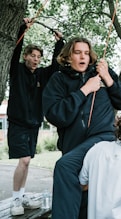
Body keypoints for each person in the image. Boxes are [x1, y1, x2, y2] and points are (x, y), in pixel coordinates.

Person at [42, 37, 121, 219]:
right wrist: (85, 90)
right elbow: (56, 115)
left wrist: (107, 79)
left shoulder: (102, 72)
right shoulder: (58, 80)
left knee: (64, 167)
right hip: (73, 145)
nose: (83, 56)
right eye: (77, 52)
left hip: (102, 138)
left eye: (87, 53)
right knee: (82, 196)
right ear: (67, 57)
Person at [7, 18, 64, 216]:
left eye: (39, 57)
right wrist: (23, 28)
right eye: (32, 55)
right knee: (23, 160)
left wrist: (59, 43)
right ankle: (15, 198)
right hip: (18, 123)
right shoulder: (17, 71)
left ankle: (21, 195)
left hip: (34, 124)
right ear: (26, 56)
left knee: (27, 161)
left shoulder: (40, 74)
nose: (36, 59)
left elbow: (55, 67)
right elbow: (14, 51)